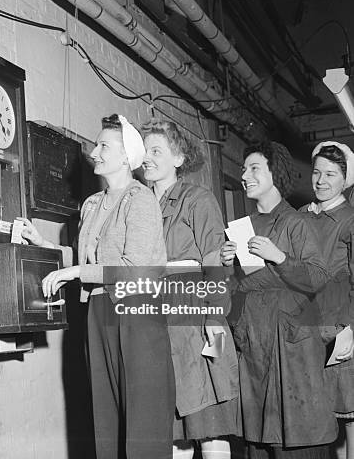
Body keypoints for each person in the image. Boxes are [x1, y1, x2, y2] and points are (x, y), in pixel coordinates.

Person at [19, 114, 173, 459]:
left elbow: (134, 269)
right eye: (96, 144)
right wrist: (43, 242)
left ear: (126, 157)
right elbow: (84, 259)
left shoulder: (141, 200)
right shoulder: (91, 204)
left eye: (104, 145)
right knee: (105, 421)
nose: (94, 151)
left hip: (137, 314)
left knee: (143, 425)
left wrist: (74, 273)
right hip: (99, 312)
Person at [220, 141, 336, 458]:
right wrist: (228, 270)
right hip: (255, 347)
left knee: (299, 441)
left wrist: (280, 257)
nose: (245, 175)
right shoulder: (241, 230)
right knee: (258, 442)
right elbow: (233, 298)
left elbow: (319, 277)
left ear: (276, 173)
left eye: (254, 168)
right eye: (243, 169)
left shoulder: (297, 223)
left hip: (292, 351)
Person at [141, 121, 238, 459]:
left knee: (209, 428)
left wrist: (213, 316)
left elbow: (215, 260)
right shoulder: (139, 205)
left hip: (198, 323)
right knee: (172, 433)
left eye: (157, 151)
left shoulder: (198, 199)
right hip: (155, 324)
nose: (147, 158)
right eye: (145, 150)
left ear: (179, 158)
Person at [300, 141, 354, 459]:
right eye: (317, 172)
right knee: (324, 427)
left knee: (350, 418)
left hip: (340, 327)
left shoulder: (349, 221)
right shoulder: (301, 217)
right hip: (307, 331)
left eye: (331, 174)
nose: (321, 180)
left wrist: (350, 328)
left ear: (344, 178)